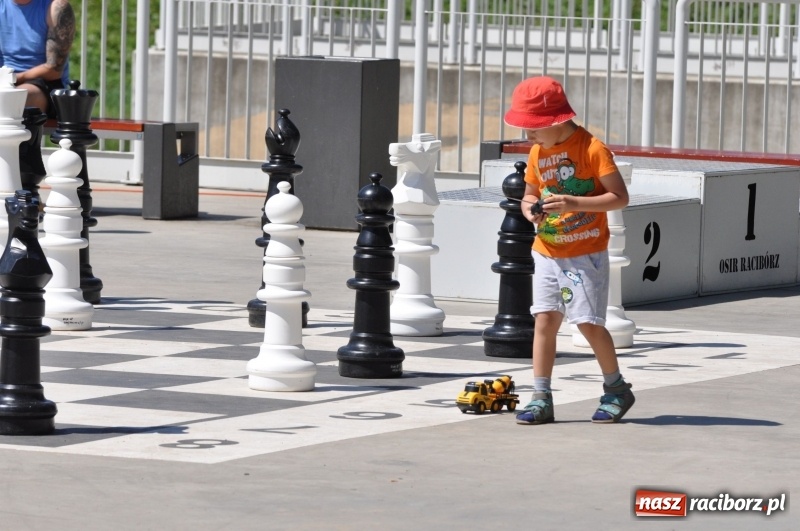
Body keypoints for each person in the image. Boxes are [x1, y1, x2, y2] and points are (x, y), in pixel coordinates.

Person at [503, 75, 635, 425]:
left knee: (588, 324)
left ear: (557, 121)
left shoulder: (592, 149)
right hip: (546, 248)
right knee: (544, 321)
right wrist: (528, 208)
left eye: (533, 128)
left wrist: (574, 202)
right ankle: (541, 396)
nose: (528, 136)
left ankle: (616, 388)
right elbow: (530, 193)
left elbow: (619, 197)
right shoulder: (537, 152)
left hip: (584, 252)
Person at [0, 0, 74, 116]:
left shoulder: (56, 7)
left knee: (9, 100)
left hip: (44, 84)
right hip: (5, 80)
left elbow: (53, 70)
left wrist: (13, 78)